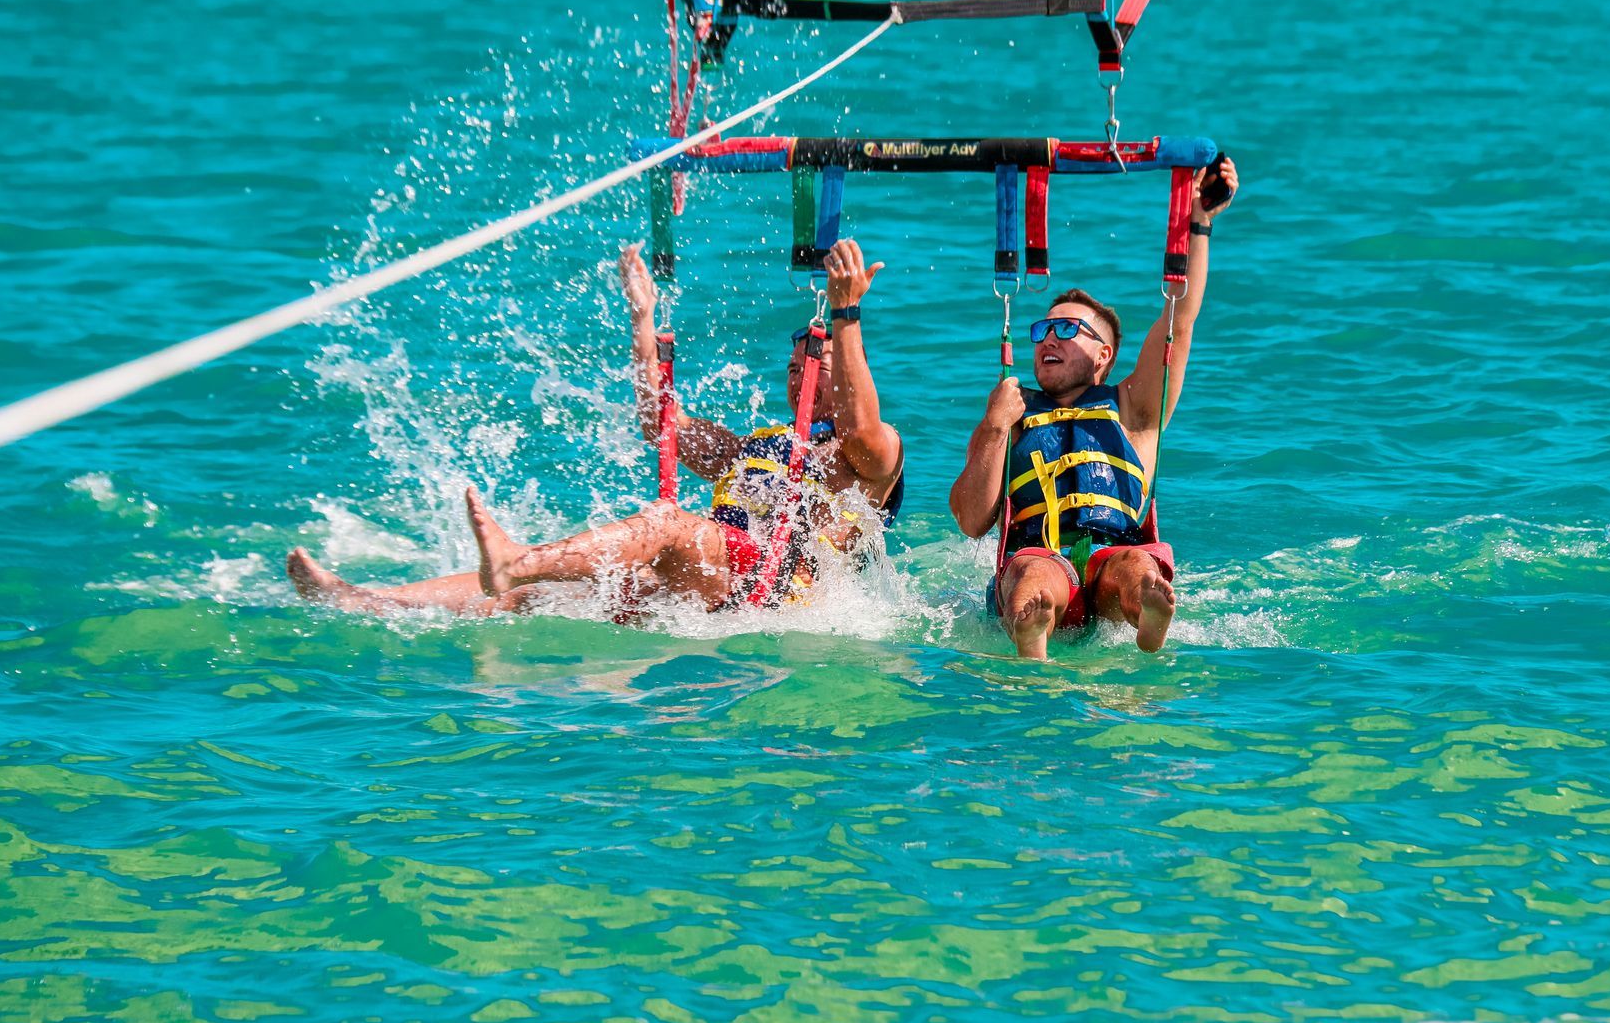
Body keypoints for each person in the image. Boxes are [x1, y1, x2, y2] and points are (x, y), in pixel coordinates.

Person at [287, 239, 904, 618]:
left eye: (812, 371)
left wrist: (846, 313)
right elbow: (660, 423)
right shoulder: (758, 446)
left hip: (769, 587)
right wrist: (643, 320)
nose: (799, 380)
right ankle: (368, 600)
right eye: (792, 369)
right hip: (708, 577)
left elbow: (860, 422)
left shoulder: (871, 459)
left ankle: (516, 560)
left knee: (663, 523)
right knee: (539, 597)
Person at [948, 157, 1239, 660]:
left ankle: (1146, 610)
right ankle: (1032, 630)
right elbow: (972, 519)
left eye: (1066, 330)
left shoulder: (1135, 409)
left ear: (1104, 355)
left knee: (1135, 569)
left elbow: (1180, 319)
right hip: (1038, 556)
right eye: (1041, 330)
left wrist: (1199, 221)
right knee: (1033, 576)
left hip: (1112, 554)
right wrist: (995, 427)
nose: (1046, 340)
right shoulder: (1009, 415)